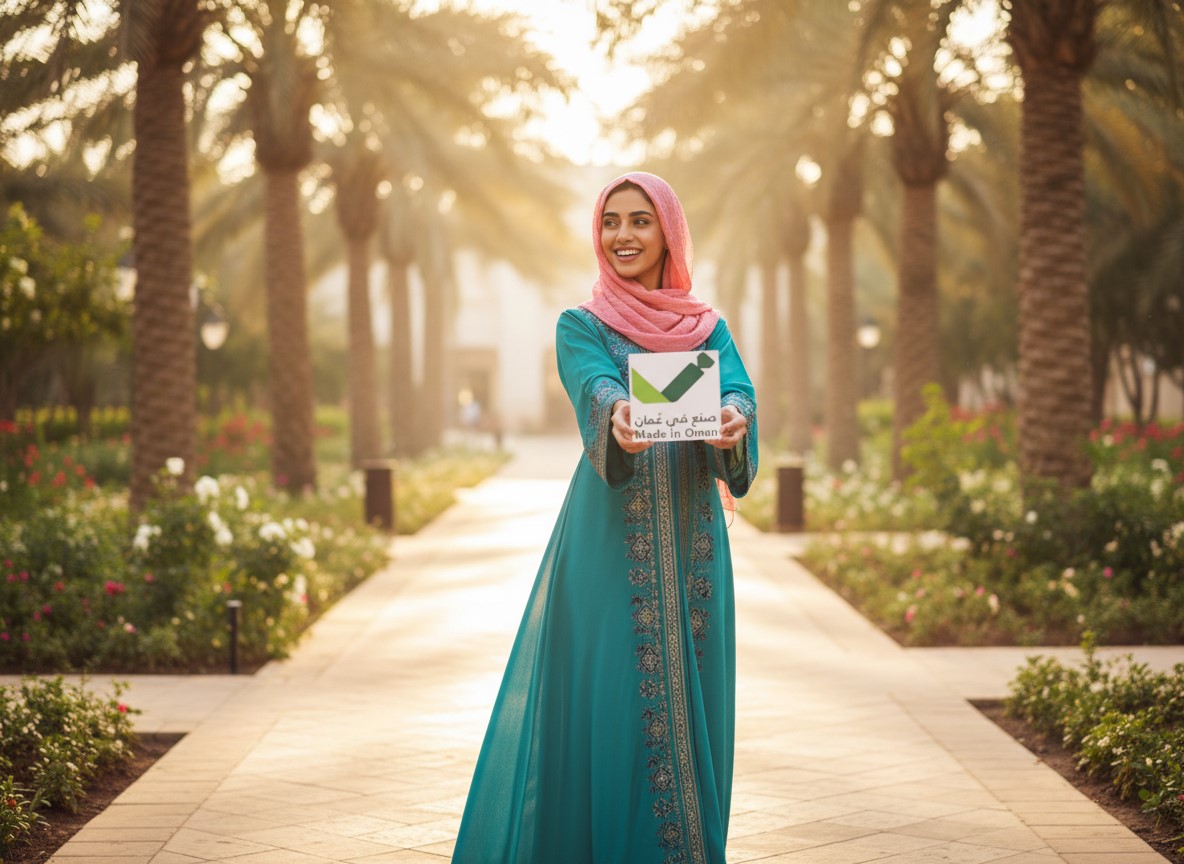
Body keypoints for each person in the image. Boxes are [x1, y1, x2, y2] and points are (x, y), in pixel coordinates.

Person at [451, 172, 757, 864]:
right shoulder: (580, 325)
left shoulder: (708, 328)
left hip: (694, 549)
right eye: (611, 221)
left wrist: (737, 420)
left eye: (640, 221)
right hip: (605, 547)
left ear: (668, 232)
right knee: (614, 712)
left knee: (691, 716)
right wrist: (616, 415)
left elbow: (738, 390)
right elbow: (596, 385)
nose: (623, 235)